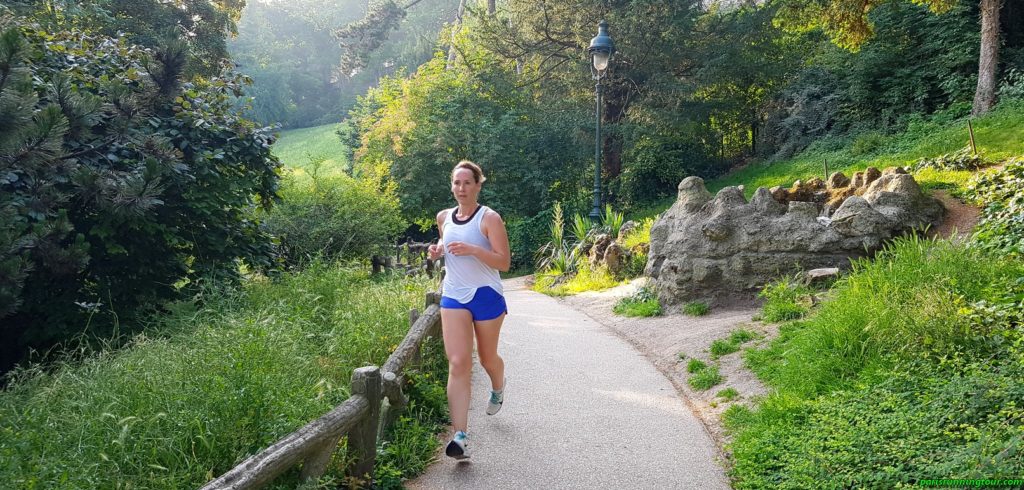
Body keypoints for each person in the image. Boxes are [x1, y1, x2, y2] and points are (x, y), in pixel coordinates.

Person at [427, 160, 511, 460]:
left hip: (486, 295)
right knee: (459, 362)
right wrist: (437, 250)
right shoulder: (443, 217)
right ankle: (460, 436)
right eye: (456, 183)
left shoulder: (489, 218)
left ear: (478, 185)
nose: (461, 188)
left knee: (488, 359)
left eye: (467, 183)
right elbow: (444, 241)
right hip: (453, 296)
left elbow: (503, 262)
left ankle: (498, 386)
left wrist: (475, 250)